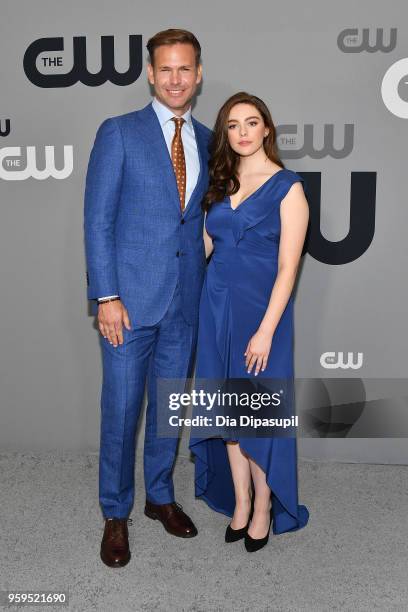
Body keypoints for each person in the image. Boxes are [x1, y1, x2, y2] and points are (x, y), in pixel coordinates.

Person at [84, 29, 212, 567]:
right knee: (120, 411)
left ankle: (160, 496)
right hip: (129, 304)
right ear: (149, 73)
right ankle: (116, 512)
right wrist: (106, 296)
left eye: (184, 69)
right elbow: (97, 221)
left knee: (167, 409)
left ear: (198, 74)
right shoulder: (119, 132)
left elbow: (201, 218)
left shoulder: (208, 138)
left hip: (184, 301)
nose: (175, 79)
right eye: (165, 69)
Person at [189, 92, 310, 552]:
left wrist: (265, 330)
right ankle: (240, 502)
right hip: (216, 309)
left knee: (256, 417)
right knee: (227, 412)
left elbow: (288, 269)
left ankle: (263, 507)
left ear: (266, 130)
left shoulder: (288, 187)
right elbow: (202, 250)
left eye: (251, 122)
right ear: (226, 134)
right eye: (233, 125)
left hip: (263, 316)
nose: (242, 132)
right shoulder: (217, 185)